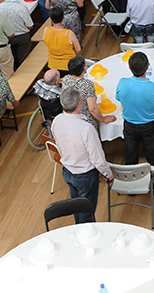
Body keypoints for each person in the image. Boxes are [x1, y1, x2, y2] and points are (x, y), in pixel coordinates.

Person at [50, 87, 113, 224]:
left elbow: (59, 146)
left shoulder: (57, 121)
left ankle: (78, 229)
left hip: (68, 171)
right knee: (87, 214)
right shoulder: (86, 129)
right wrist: (108, 174)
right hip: (85, 176)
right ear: (80, 103)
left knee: (77, 208)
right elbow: (97, 159)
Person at [115, 52, 154, 191]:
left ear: (130, 67)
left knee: (130, 154)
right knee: (153, 156)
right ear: (147, 67)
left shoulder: (122, 83)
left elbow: (118, 98)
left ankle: (131, 185)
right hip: (149, 127)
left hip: (129, 126)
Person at [61, 56, 116, 131]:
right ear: (84, 68)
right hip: (85, 121)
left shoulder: (66, 79)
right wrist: (103, 119)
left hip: (69, 118)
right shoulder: (87, 84)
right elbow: (92, 108)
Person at [0, 0, 34, 66]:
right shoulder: (21, 8)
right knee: (23, 60)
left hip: (8, 37)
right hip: (22, 36)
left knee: (12, 59)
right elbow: (30, 25)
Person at [44, 7, 81, 74]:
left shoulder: (46, 30)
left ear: (51, 18)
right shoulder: (69, 33)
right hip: (68, 66)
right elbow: (78, 49)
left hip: (52, 65)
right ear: (63, 17)